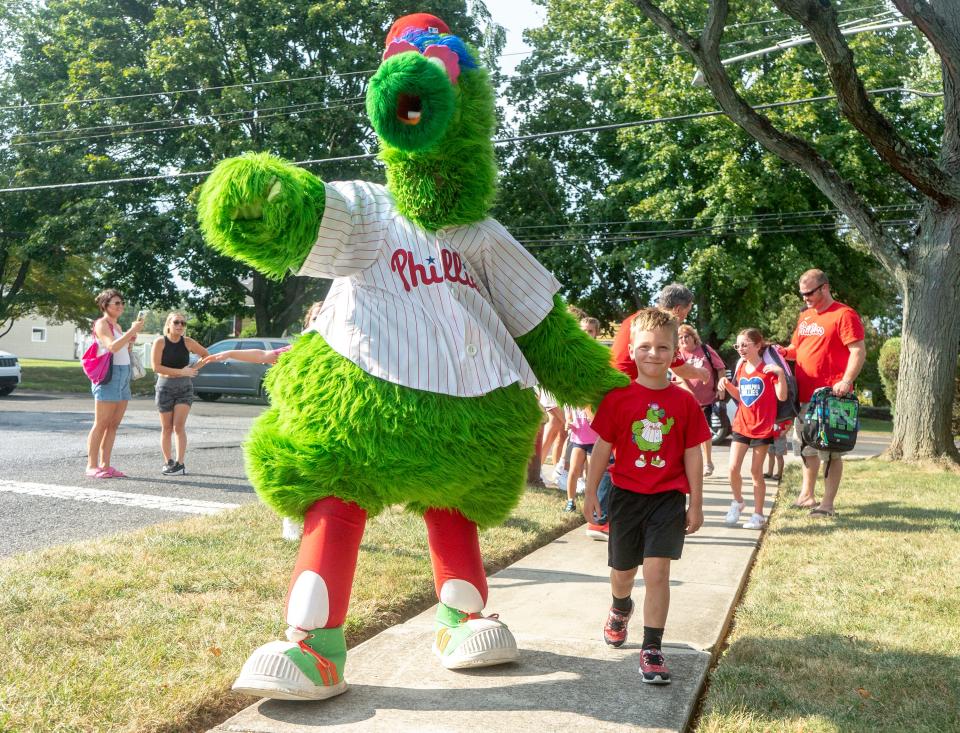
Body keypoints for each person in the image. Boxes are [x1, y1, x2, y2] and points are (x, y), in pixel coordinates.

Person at [583, 308, 710, 684]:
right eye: (645, 347)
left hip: (667, 498)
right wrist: (591, 492)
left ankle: (652, 648)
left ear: (675, 353)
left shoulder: (684, 402)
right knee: (623, 572)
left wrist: (696, 502)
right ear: (632, 350)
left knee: (657, 571)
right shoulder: (618, 398)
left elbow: (692, 453)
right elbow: (602, 450)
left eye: (662, 347)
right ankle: (620, 607)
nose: (653, 354)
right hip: (625, 495)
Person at [779, 270, 865, 517]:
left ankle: (827, 504)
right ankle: (807, 496)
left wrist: (846, 381)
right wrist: (782, 352)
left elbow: (857, 351)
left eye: (809, 293)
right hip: (804, 397)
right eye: (802, 293)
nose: (805, 298)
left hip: (831, 397)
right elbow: (797, 348)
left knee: (831, 450)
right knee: (806, 446)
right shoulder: (805, 317)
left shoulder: (844, 314)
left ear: (824, 288)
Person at [719, 329, 787, 530]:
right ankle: (738, 502)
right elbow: (742, 397)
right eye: (738, 345)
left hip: (762, 427)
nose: (741, 349)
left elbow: (782, 397)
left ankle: (758, 515)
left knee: (756, 471)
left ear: (758, 345)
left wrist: (780, 374)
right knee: (733, 468)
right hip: (741, 424)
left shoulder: (769, 369)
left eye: (745, 344)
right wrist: (726, 385)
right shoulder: (740, 368)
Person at [85, 290, 144, 478]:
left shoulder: (117, 325)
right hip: (110, 376)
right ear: (105, 305)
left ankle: (105, 465)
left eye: (122, 303)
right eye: (116, 303)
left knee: (113, 424)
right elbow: (111, 346)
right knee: (101, 423)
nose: (120, 306)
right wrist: (132, 331)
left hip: (124, 374)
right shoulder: (101, 324)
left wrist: (130, 340)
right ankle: (91, 466)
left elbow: (122, 349)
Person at [608, 283, 711, 383]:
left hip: (611, 380)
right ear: (678, 309)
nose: (685, 318)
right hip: (626, 384)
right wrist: (701, 373)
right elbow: (679, 367)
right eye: (687, 312)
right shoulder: (663, 325)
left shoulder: (637, 318)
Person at [151, 312, 210, 475]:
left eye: (183, 323)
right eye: (176, 322)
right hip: (164, 387)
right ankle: (168, 461)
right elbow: (156, 367)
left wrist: (192, 369)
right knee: (166, 427)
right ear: (169, 324)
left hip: (184, 388)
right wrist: (181, 371)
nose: (180, 326)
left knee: (179, 427)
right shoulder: (160, 342)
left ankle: (180, 463)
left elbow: (207, 355)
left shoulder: (188, 342)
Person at [676, 324, 726, 477]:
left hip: (707, 400)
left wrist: (721, 386)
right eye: (680, 337)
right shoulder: (678, 354)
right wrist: (688, 391)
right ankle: (686, 465)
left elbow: (720, 368)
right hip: (686, 401)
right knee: (686, 435)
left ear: (693, 337)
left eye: (686, 336)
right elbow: (678, 375)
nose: (683, 340)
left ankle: (708, 462)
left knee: (705, 433)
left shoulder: (705, 350)